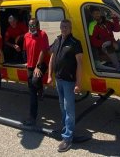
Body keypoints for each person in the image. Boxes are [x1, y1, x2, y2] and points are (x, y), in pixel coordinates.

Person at [47, 19, 82, 153]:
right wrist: (50, 75)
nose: (64, 28)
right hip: (58, 80)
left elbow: (80, 63)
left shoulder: (75, 43)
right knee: (62, 107)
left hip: (69, 82)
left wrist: (78, 83)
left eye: (67, 26)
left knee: (69, 109)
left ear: (71, 28)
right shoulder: (57, 40)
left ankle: (68, 138)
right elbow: (52, 58)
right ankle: (65, 129)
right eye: (62, 26)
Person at [22, 18, 50, 126]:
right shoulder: (26, 36)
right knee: (32, 93)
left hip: (41, 64)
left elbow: (44, 50)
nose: (32, 26)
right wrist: (26, 61)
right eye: (30, 25)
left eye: (34, 24)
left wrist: (38, 66)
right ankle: (32, 118)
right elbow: (25, 49)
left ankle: (41, 90)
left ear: (38, 25)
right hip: (30, 66)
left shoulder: (42, 34)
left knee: (34, 81)